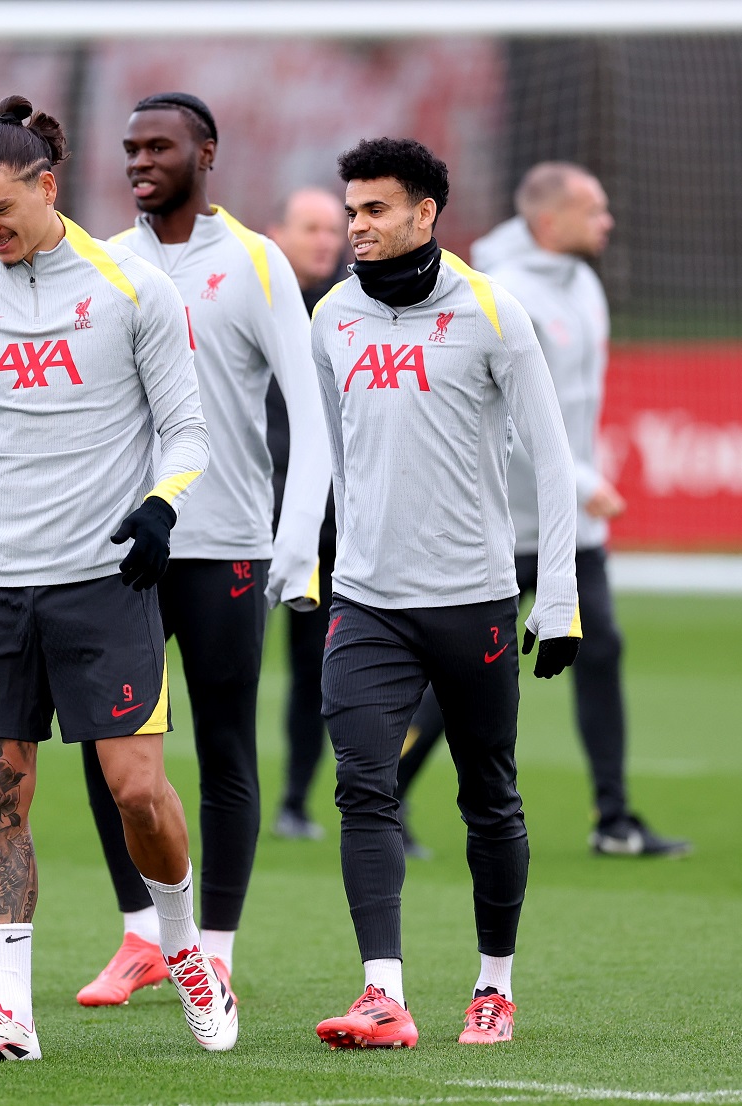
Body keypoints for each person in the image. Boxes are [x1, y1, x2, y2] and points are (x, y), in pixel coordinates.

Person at [0, 96, 235, 1062]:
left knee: (137, 792)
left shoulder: (132, 290)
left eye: (1, 210)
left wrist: (162, 505)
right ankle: (11, 1014)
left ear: (47, 188)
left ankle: (182, 950)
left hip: (103, 586)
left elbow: (186, 430)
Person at [309, 138, 582, 1050]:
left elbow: (551, 460)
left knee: (487, 797)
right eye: (351, 210)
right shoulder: (332, 319)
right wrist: (324, 561)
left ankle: (492, 986)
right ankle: (381, 992)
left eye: (375, 210)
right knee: (361, 786)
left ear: (425, 213)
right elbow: (336, 455)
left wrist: (560, 599)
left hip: (472, 602)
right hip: (366, 602)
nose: (357, 227)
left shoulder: (492, 312)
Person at [75, 93, 329, 1011]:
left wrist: (293, 551)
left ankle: (213, 947)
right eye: (130, 146)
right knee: (109, 750)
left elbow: (310, 414)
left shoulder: (255, 263)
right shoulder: (102, 262)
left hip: (225, 545)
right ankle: (143, 936)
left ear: (206, 153)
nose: (140, 160)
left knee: (224, 746)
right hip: (122, 549)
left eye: (159, 145)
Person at [392, 164, 689, 860]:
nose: (606, 221)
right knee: (463, 670)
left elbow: (573, 407)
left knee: (602, 649)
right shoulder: (500, 293)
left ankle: (612, 819)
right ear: (548, 221)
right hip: (498, 520)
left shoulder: (582, 284)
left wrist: (580, 487)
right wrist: (582, 477)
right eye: (594, 209)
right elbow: (510, 417)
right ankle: (384, 791)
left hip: (570, 525)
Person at [266, 187, 350, 843]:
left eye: (334, 228)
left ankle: (293, 801)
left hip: (322, 525)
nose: (327, 240)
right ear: (279, 233)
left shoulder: (351, 311)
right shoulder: (255, 299)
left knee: (313, 667)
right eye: (312, 227)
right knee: (220, 669)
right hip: (244, 519)